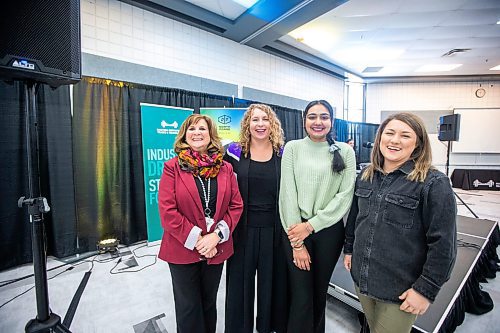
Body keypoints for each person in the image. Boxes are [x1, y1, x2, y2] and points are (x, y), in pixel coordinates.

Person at [343, 112, 457, 333]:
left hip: (400, 290)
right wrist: (349, 250)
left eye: (405, 135)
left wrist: (425, 290)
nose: (395, 140)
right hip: (362, 279)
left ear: (418, 144)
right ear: (379, 139)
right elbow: (356, 218)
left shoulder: (433, 184)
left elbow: (444, 246)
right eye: (390, 133)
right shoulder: (366, 175)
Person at [158, 114, 243, 333]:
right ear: (185, 135)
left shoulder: (226, 169)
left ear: (211, 134)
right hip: (181, 248)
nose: (197, 133)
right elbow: (168, 212)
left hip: (216, 248)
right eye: (192, 129)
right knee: (188, 308)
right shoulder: (172, 167)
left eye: (202, 129)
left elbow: (236, 206)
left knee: (208, 303)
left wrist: (216, 237)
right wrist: (199, 239)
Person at [279, 100, 356, 333]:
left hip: (328, 232)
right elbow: (287, 194)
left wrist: (311, 225)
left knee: (319, 293)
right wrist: (297, 241)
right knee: (301, 296)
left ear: (331, 121)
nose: (318, 122)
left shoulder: (345, 151)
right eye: (312, 116)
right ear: (304, 120)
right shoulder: (292, 148)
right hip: (294, 229)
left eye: (324, 117)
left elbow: (344, 196)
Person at [224, 104, 288, 333]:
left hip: (275, 230)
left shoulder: (284, 153)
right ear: (247, 124)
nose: (260, 124)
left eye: (265, 119)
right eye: (255, 120)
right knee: (239, 285)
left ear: (272, 124)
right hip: (242, 229)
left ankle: (268, 328)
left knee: (272, 285)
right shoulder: (232, 152)